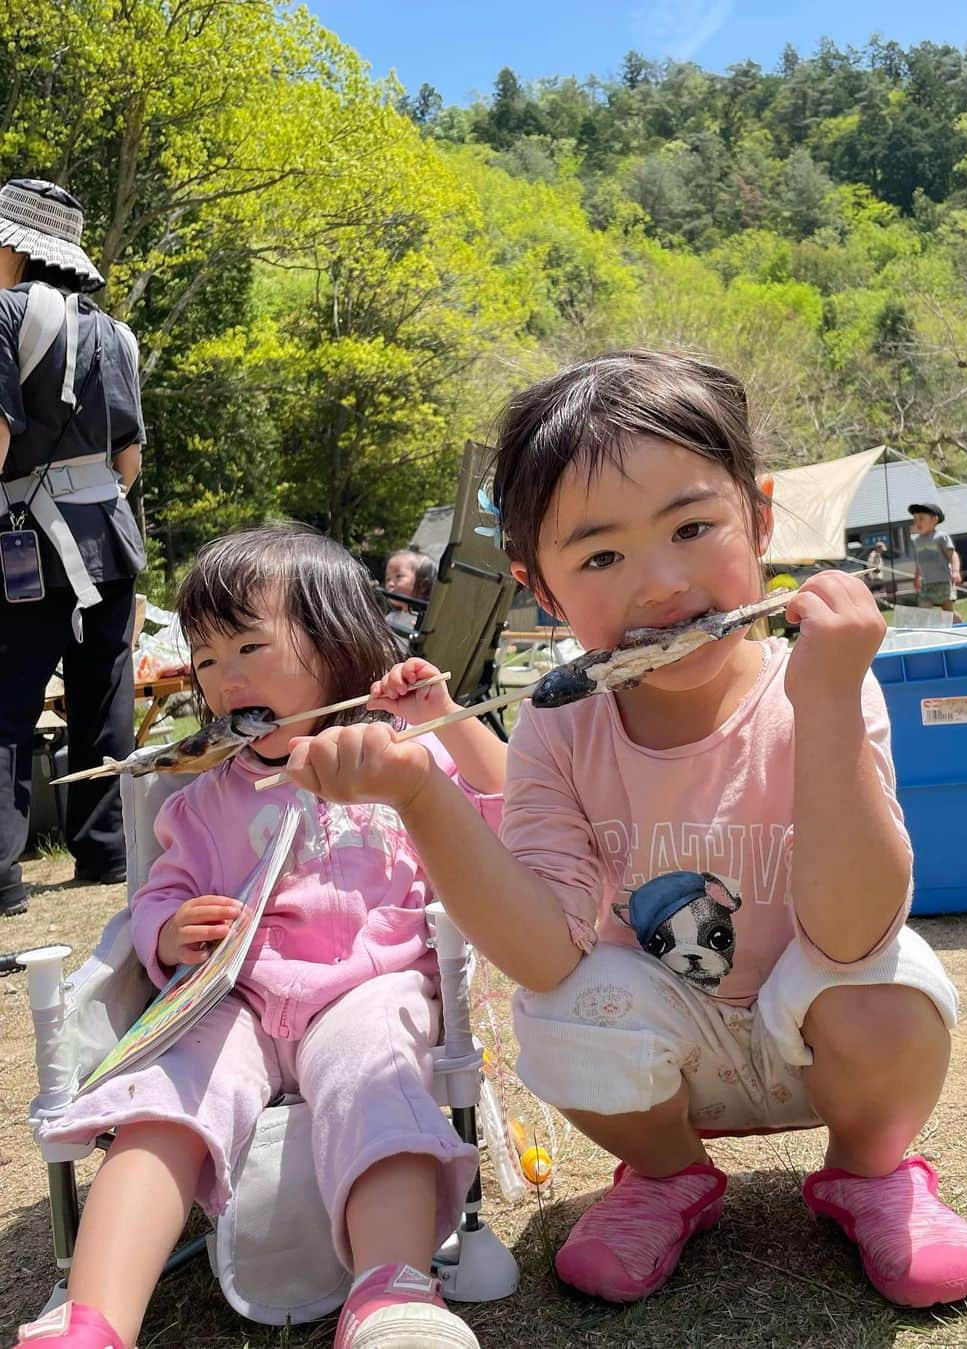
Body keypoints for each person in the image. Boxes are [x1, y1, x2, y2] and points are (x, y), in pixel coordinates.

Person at [281, 351, 967, 1313]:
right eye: (602, 555)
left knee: (887, 980)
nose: (660, 583)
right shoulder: (555, 726)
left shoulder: (826, 681)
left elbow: (854, 930)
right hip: (667, 1053)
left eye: (693, 527)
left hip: (825, 1032)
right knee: (567, 1000)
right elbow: (541, 951)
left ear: (762, 517)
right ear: (542, 586)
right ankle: (667, 1177)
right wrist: (420, 792)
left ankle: (869, 1171)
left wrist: (826, 705)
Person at [15, 524, 507, 1349]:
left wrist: (445, 721)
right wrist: (168, 930)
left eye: (248, 646)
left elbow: (501, 814)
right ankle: (92, 1319)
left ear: (339, 645)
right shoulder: (205, 796)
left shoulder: (396, 761)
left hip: (366, 985)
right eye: (206, 659)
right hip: (239, 995)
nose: (223, 675)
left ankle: (392, 1292)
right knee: (163, 1103)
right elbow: (161, 891)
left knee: (375, 1071)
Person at [0, 180, 148, 916]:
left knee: (6, 705)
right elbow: (129, 461)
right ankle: (107, 850)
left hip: (24, 543)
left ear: (16, 247)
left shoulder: (5, 313)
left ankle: (2, 876)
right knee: (102, 697)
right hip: (109, 540)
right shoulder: (116, 334)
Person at [908, 502, 962, 623]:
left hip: (943, 581)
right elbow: (919, 561)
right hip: (926, 583)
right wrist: (917, 577)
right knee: (924, 610)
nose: (917, 522)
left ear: (934, 520)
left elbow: (953, 555)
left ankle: (962, 627)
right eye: (915, 519)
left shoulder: (940, 537)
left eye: (921, 519)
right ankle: (928, 634)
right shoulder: (916, 540)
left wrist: (955, 571)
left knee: (948, 611)